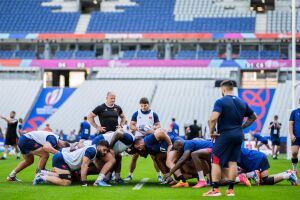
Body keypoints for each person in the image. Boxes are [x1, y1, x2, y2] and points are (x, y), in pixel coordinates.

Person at [203, 80, 257, 197]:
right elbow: (253, 116)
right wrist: (242, 127)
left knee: (215, 160)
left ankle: (215, 190)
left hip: (225, 134)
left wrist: (212, 132)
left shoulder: (220, 101)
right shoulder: (242, 102)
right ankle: (230, 190)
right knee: (233, 162)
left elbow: (213, 119)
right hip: (238, 135)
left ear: (223, 89)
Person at [33, 140, 115, 187]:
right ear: (99, 146)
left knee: (65, 177)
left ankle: (42, 173)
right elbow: (84, 165)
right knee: (66, 182)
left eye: (106, 151)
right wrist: (84, 182)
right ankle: (41, 177)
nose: (104, 153)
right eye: (104, 149)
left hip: (63, 159)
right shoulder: (92, 150)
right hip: (62, 159)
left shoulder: (93, 150)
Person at [125, 97, 161, 182]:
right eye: (142, 106)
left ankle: (159, 175)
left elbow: (158, 125)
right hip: (139, 137)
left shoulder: (153, 114)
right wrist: (138, 129)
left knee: (154, 157)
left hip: (150, 137)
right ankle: (130, 175)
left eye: (145, 105)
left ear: (148, 104)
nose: (143, 107)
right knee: (134, 157)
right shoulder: (136, 113)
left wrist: (152, 128)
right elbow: (131, 125)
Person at [289, 102, 300, 174]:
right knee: (294, 153)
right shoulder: (294, 112)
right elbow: (291, 124)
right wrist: (291, 135)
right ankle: (295, 169)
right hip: (296, 136)